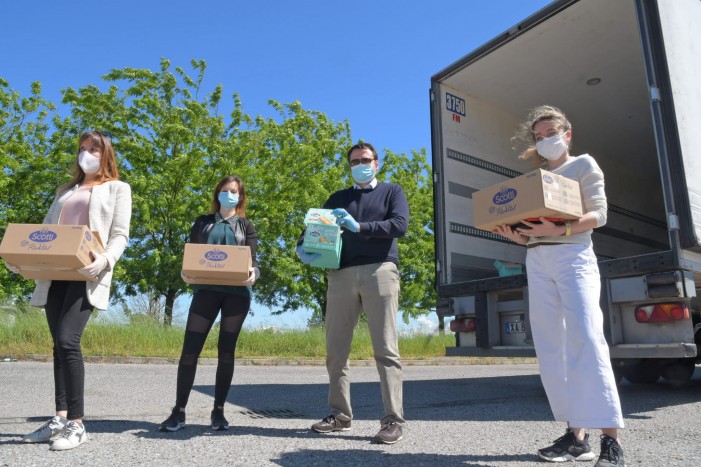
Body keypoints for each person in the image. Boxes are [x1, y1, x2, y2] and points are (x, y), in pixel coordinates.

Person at [493, 106, 625, 466]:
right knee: (553, 347)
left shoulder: (584, 165)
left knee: (586, 337)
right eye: (538, 136)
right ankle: (575, 436)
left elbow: (599, 214)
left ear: (567, 133)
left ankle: (610, 441)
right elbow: (534, 232)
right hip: (537, 260)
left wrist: (560, 230)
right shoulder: (538, 178)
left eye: (551, 132)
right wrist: (519, 237)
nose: (545, 140)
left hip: (574, 257)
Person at [7, 131, 132, 451]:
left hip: (86, 273)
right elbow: (47, 233)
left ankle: (77, 423)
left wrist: (105, 261)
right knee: (57, 347)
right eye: (82, 149)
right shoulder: (65, 190)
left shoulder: (117, 189)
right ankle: (59, 419)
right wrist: (22, 260)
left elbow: (120, 235)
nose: (86, 154)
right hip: (55, 274)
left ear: (106, 155)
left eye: (94, 149)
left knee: (68, 340)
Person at [297, 142, 409, 445]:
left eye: (365, 160)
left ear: (376, 163)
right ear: (349, 166)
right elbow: (314, 230)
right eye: (354, 161)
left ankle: (393, 420)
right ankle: (339, 415)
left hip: (380, 271)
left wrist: (359, 226)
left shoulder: (391, 192)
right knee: (336, 350)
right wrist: (304, 245)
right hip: (341, 275)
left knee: (386, 349)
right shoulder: (338, 198)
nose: (360, 164)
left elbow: (399, 225)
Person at [160, 175, 259, 433]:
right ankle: (179, 411)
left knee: (226, 352)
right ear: (218, 194)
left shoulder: (246, 226)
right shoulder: (202, 222)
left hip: (237, 295)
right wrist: (185, 271)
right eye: (225, 190)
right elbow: (192, 253)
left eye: (234, 191)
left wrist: (254, 274)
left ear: (241, 196)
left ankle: (219, 411)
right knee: (190, 351)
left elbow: (253, 260)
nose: (229, 195)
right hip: (205, 292)